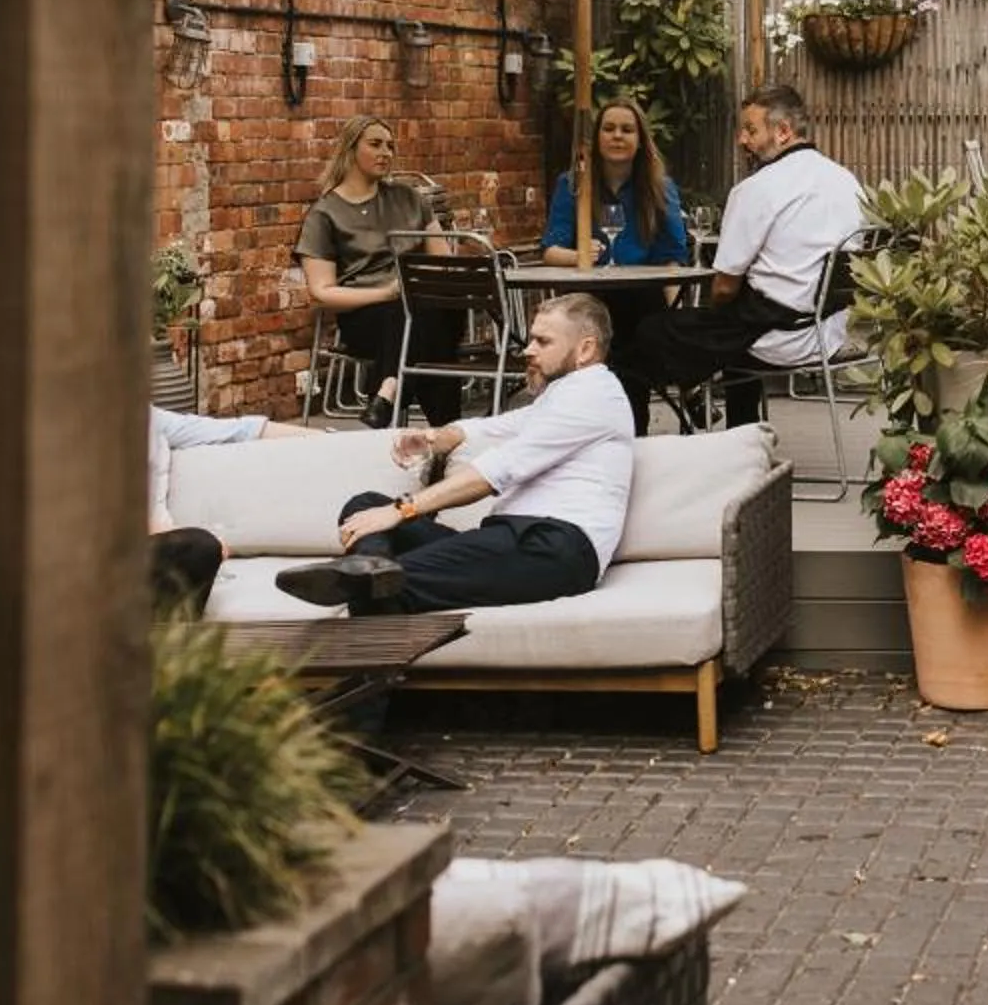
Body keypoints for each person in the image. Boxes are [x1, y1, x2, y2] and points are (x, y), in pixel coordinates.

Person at [275, 293, 636, 615]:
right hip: (513, 539)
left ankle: (373, 589)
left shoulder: (593, 396)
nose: (528, 350)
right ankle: (374, 571)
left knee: (391, 579)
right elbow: (489, 428)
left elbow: (496, 471)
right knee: (364, 505)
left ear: (585, 350)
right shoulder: (561, 398)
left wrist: (401, 509)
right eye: (530, 340)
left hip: (552, 548)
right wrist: (433, 439)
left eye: (543, 342)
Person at [621, 85, 865, 429]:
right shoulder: (846, 181)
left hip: (777, 337)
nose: (741, 140)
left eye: (751, 130)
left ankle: (646, 434)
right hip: (827, 331)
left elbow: (723, 287)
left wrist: (714, 319)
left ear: (783, 132)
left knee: (647, 333)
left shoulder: (756, 189)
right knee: (731, 325)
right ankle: (743, 431)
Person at [296, 113, 463, 431]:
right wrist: (386, 291)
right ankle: (448, 434)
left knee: (428, 314)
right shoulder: (325, 214)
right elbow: (321, 292)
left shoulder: (411, 198)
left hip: (423, 306)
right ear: (350, 149)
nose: (385, 152)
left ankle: (387, 391)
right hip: (367, 315)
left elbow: (444, 264)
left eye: (390, 146)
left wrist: (417, 286)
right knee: (418, 326)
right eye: (375, 144)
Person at [541, 96, 694, 427]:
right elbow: (551, 250)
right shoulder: (573, 186)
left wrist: (676, 318)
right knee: (591, 327)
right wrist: (578, 256)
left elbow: (674, 258)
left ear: (640, 141)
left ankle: (630, 427)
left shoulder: (659, 188)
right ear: (597, 138)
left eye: (627, 129)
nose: (617, 136)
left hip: (642, 300)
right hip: (588, 299)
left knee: (639, 334)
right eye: (608, 128)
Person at [146, 404, 309, 613]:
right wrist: (169, 533)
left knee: (198, 549)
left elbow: (241, 430)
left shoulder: (151, 419)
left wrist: (335, 439)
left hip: (159, 552)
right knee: (200, 546)